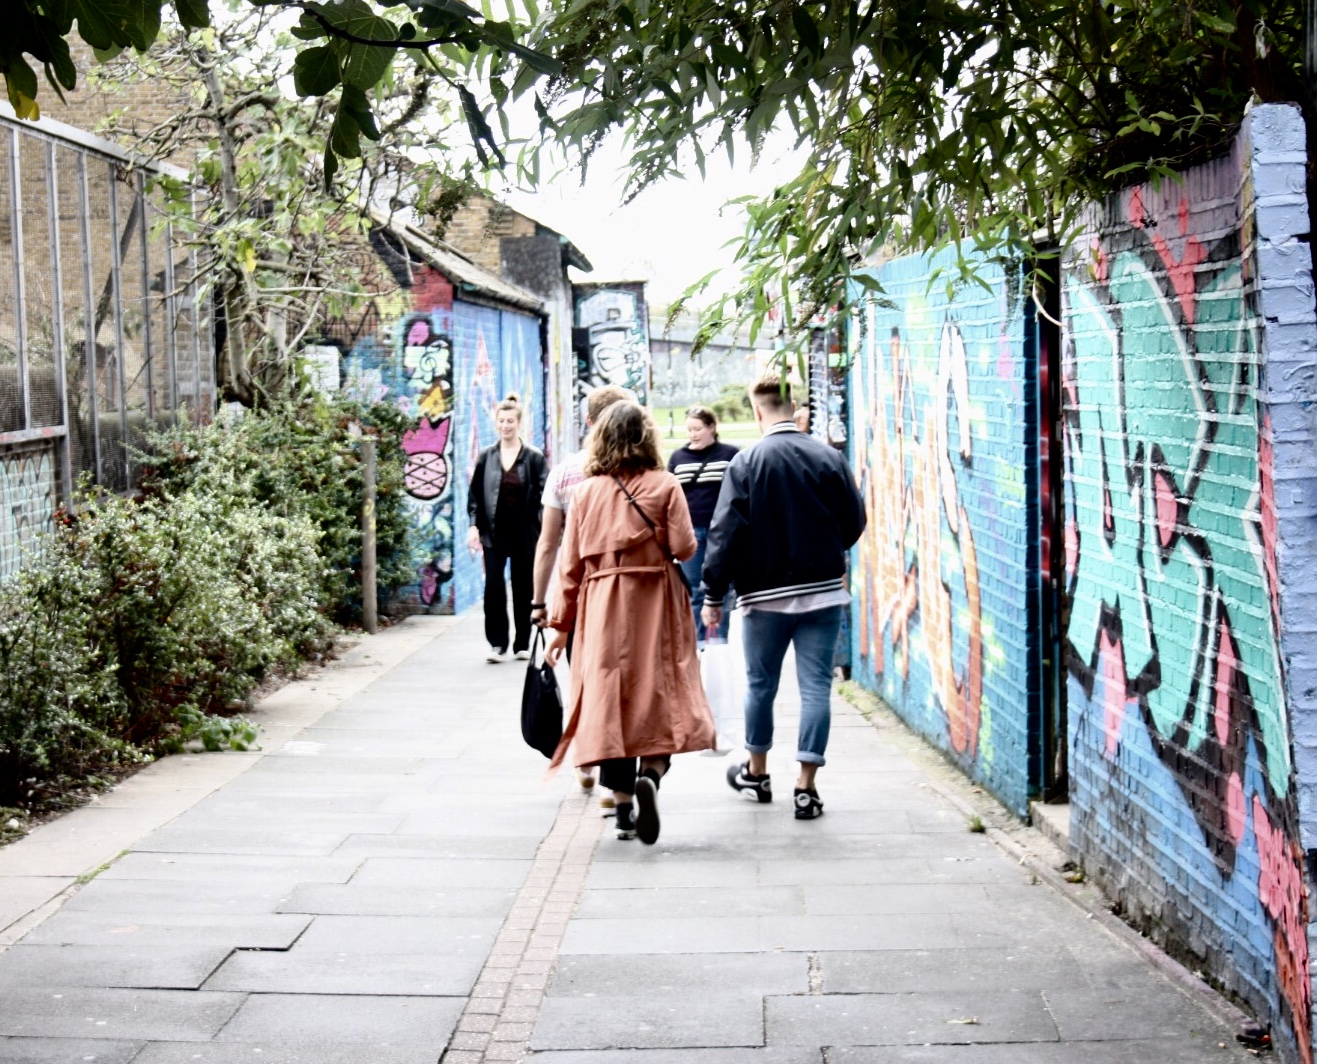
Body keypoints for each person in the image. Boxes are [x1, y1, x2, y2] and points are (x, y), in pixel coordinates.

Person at [544, 401, 716, 844]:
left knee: (609, 700)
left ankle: (622, 808)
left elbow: (569, 565)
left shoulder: (586, 493)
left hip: (602, 604)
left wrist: (559, 626)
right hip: (656, 598)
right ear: (647, 437)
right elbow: (684, 547)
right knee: (661, 691)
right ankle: (651, 777)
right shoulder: (665, 484)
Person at [700, 372, 865, 821]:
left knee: (760, 685)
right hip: (823, 594)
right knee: (816, 688)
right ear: (794, 408)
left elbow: (724, 533)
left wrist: (713, 593)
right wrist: (826, 552)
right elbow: (854, 519)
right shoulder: (829, 457)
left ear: (758, 411)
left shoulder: (747, 462)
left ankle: (757, 774)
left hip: (763, 597)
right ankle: (806, 788)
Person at [529, 384, 633, 805]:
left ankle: (587, 764)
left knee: (585, 679)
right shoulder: (638, 472)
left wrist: (540, 602)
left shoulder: (564, 473)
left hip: (577, 597)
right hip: (626, 596)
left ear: (589, 421)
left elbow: (548, 544)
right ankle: (617, 781)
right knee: (620, 685)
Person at [467, 394, 548, 663]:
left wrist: (543, 527)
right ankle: (497, 644)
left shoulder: (533, 458)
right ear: (496, 424)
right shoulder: (487, 457)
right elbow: (475, 496)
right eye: (501, 421)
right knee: (493, 587)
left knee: (524, 588)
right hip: (494, 533)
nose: (506, 426)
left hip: (524, 534)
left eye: (510, 421)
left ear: (519, 423)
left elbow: (545, 496)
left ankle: (522, 643)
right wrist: (473, 526)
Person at [666, 405, 739, 644]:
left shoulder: (730, 454)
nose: (693, 434)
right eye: (689, 430)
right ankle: (700, 643)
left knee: (720, 587)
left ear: (712, 428)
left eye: (697, 429)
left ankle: (719, 640)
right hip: (691, 531)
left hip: (723, 532)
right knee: (696, 589)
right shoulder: (678, 458)